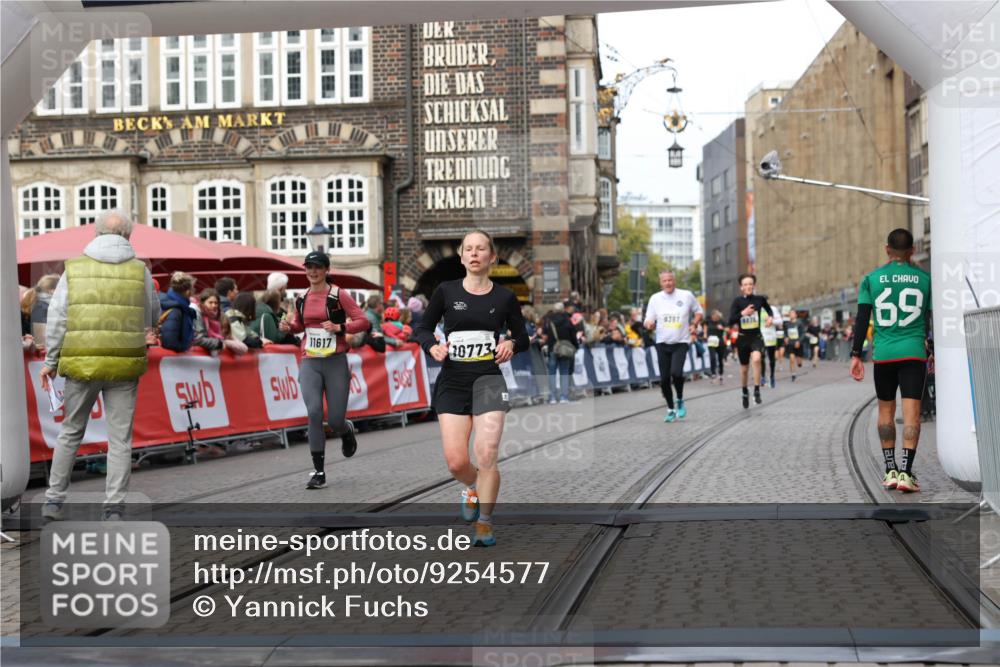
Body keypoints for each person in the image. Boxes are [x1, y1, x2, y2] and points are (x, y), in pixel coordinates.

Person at [39, 210, 159, 521]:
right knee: (120, 439)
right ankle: (113, 507)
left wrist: (51, 360)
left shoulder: (74, 268)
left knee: (71, 431)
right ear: (128, 235)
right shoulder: (140, 270)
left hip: (83, 360)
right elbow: (150, 315)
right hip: (124, 362)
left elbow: (57, 318)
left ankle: (54, 501)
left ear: (96, 233)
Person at [412, 230, 529, 547]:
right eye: (469, 249)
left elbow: (522, 336)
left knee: (487, 453)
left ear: (492, 257)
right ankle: (473, 486)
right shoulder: (446, 291)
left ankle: (484, 523)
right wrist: (431, 346)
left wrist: (511, 343)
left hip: (489, 379)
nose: (474, 254)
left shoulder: (504, 297)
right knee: (456, 462)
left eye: (481, 249)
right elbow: (422, 328)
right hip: (453, 381)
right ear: (462, 257)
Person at [850, 228, 932, 493]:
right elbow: (931, 319)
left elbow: (862, 319)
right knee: (911, 414)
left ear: (887, 249)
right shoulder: (925, 279)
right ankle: (906, 473)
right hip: (913, 354)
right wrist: (932, 350)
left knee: (885, 411)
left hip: (884, 355)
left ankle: (890, 470)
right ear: (912, 251)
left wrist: (855, 354)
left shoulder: (871, 279)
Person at [280, 251, 370, 489]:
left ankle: (346, 430)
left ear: (326, 270)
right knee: (314, 413)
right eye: (309, 267)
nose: (312, 271)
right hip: (310, 360)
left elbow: (363, 321)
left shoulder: (338, 295)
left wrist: (340, 327)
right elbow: (299, 325)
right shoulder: (301, 297)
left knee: (336, 420)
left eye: (317, 267)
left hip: (335, 361)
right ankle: (318, 472)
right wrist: (289, 327)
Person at [644, 270, 703, 422]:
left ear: (674, 281)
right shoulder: (655, 298)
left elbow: (698, 312)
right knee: (664, 379)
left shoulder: (686, 295)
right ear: (661, 283)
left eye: (670, 280)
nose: (668, 283)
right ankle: (670, 409)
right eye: (665, 281)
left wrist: (694, 324)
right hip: (662, 343)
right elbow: (648, 319)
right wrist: (649, 324)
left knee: (676, 373)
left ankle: (680, 399)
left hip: (681, 342)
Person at [728, 274, 773, 409]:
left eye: (750, 284)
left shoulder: (760, 299)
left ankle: (757, 390)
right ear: (741, 287)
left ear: (754, 285)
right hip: (743, 338)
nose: (748, 286)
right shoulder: (737, 301)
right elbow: (730, 320)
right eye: (745, 284)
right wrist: (743, 313)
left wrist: (770, 318)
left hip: (756, 337)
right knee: (744, 370)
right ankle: (744, 391)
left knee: (757, 359)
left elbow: (768, 309)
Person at [541, 301, 578, 404]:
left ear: (554, 310)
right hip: (565, 350)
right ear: (563, 310)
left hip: (552, 349)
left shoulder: (549, 321)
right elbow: (573, 336)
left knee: (552, 373)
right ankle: (563, 397)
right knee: (564, 372)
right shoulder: (568, 321)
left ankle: (552, 397)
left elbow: (545, 334)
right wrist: (575, 347)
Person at [158, 272, 198, 352]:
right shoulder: (176, 310)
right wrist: (182, 349)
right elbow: (170, 342)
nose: (193, 291)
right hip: (173, 357)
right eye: (193, 289)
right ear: (188, 291)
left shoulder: (176, 306)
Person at [759, 298, 782, 389]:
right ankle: (763, 376)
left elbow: (780, 321)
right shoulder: (758, 309)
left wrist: (771, 320)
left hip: (771, 337)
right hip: (761, 337)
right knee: (761, 356)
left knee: (771, 358)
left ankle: (772, 375)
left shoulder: (773, 309)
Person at [784, 309, 806, 381]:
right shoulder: (787, 324)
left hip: (798, 343)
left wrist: (799, 341)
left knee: (799, 362)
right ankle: (793, 374)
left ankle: (799, 363)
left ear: (796, 315)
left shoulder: (800, 323)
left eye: (792, 313)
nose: (791, 315)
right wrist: (786, 337)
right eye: (790, 314)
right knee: (792, 358)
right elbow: (785, 332)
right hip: (791, 343)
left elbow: (803, 333)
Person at [705, 310, 727, 383]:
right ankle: (713, 373)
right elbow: (704, 325)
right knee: (712, 357)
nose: (715, 318)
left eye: (717, 317)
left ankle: (721, 373)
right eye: (714, 316)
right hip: (711, 342)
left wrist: (722, 328)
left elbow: (728, 329)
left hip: (720, 342)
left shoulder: (722, 322)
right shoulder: (708, 321)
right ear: (712, 316)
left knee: (720, 359)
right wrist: (705, 334)